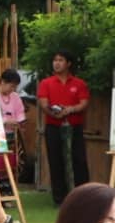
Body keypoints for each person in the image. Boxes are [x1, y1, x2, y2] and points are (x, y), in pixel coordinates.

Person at [36, 49, 92, 203]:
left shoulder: (79, 83)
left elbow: (84, 103)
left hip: (74, 127)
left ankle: (84, 196)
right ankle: (60, 198)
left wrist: (70, 109)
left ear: (68, 63)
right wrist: (52, 111)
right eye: (55, 60)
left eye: (61, 60)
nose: (57, 63)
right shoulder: (46, 83)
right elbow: (43, 102)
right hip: (53, 126)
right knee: (56, 161)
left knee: (79, 160)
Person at [0, 67, 29, 189]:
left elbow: (20, 112)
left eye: (15, 87)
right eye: (11, 86)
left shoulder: (15, 97)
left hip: (12, 137)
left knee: (11, 164)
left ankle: (8, 194)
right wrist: (5, 121)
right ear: (2, 82)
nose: (13, 89)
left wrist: (19, 122)